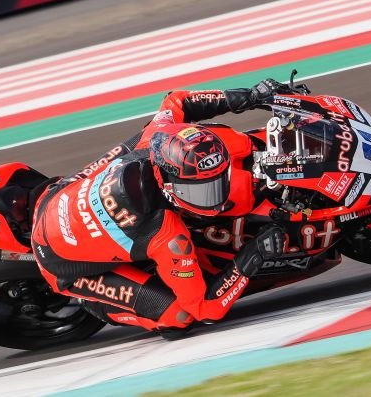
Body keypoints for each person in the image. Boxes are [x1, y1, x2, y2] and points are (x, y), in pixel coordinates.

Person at [30, 78, 292, 336]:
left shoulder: (157, 138)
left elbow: (178, 100)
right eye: (200, 192)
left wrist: (251, 96)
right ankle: (94, 304)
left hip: (57, 195)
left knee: (136, 145)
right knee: (179, 317)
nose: (215, 198)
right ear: (168, 184)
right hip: (60, 261)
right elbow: (206, 310)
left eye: (218, 183)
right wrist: (253, 254)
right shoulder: (166, 234)